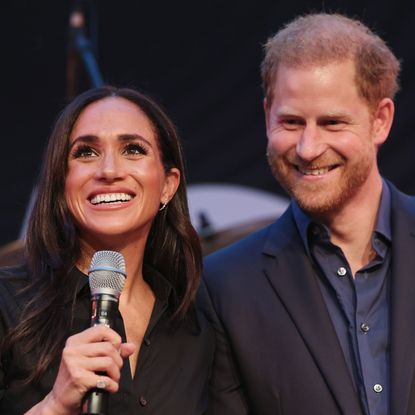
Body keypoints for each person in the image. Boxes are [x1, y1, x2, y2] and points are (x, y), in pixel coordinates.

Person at [198, 13, 413, 415]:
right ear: (267, 117)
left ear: (380, 120)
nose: (308, 147)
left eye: (332, 123)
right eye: (292, 122)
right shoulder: (225, 288)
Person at [0, 86, 214, 414]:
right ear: (61, 183)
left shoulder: (200, 321)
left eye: (133, 149)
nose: (109, 171)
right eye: (86, 152)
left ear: (168, 185)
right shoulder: (7, 302)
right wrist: (55, 405)